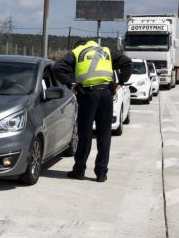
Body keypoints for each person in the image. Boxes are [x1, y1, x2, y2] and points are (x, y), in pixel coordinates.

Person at [52, 39, 132, 182]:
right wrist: (120, 83)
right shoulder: (106, 51)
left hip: (87, 95)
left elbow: (57, 68)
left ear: (79, 46)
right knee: (104, 135)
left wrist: (71, 85)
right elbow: (127, 63)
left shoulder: (77, 52)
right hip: (106, 94)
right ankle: (101, 173)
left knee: (85, 134)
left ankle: (79, 170)